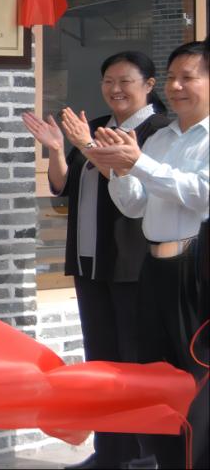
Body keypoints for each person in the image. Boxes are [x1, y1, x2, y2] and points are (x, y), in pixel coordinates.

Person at [22, 51, 171, 470]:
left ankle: (143, 454)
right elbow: (64, 186)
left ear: (149, 85)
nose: (115, 89)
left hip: (133, 266)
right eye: (108, 81)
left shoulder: (159, 132)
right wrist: (57, 149)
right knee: (101, 362)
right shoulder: (100, 127)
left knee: (133, 363)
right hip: (91, 262)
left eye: (125, 81)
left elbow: (138, 193)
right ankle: (110, 452)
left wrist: (87, 145)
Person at [88, 39, 209, 470]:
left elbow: (201, 195)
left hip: (196, 270)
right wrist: (119, 171)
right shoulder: (161, 139)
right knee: (155, 374)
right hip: (154, 269)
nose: (175, 87)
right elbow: (136, 206)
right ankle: (165, 460)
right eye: (172, 77)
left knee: (197, 377)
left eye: (187, 78)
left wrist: (138, 163)